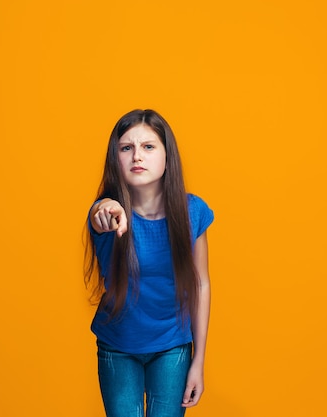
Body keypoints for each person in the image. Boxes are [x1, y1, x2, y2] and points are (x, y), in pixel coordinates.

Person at [84, 109, 214, 417]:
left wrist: (199, 362)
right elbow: (101, 213)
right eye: (126, 148)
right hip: (118, 345)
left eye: (148, 147)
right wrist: (106, 209)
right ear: (115, 159)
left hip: (173, 346)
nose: (136, 156)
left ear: (167, 155)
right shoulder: (108, 211)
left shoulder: (192, 211)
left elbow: (201, 284)